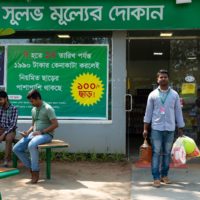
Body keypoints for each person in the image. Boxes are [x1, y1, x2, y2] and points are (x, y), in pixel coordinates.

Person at [143, 69, 185, 188]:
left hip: (170, 128)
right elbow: (148, 112)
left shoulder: (174, 95)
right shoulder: (152, 95)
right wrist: (145, 128)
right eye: (161, 77)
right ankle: (156, 177)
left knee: (167, 153)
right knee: (156, 153)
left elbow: (178, 111)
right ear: (157, 80)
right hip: (156, 128)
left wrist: (180, 127)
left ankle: (164, 175)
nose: (163, 79)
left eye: (165, 77)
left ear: (168, 79)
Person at [13, 89, 58, 184]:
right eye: (30, 101)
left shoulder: (48, 109)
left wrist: (41, 132)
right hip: (33, 134)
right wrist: (27, 132)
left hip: (46, 135)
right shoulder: (33, 109)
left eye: (32, 101)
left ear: (37, 98)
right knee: (16, 148)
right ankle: (32, 167)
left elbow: (55, 124)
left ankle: (35, 172)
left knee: (32, 145)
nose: (31, 103)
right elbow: (33, 125)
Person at [0, 90, 18, 167]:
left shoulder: (14, 109)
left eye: (0, 99)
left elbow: (13, 125)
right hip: (1, 129)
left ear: (6, 98)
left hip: (11, 130)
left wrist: (3, 134)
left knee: (8, 138)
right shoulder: (0, 108)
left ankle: (6, 160)